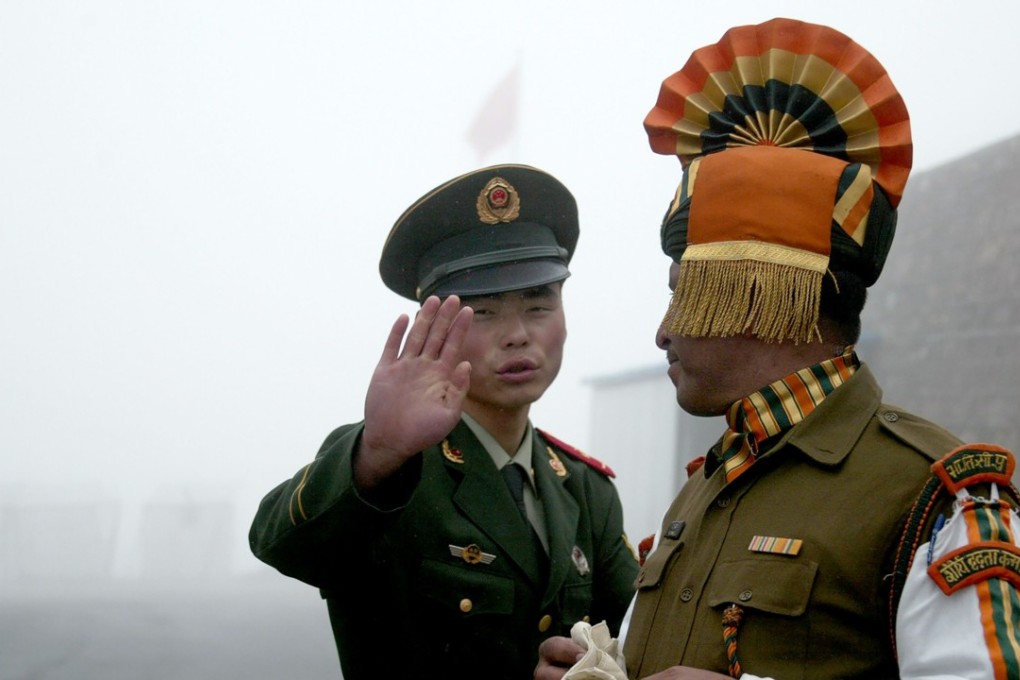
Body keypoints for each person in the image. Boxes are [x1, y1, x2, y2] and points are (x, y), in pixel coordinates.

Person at [536, 17, 1020, 680]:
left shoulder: (934, 494)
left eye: (684, 293)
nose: (663, 331)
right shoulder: (705, 488)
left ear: (758, 293)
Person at [249, 164, 639, 679]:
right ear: (435, 327)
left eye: (540, 305)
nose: (518, 334)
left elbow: (640, 633)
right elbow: (280, 543)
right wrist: (379, 452)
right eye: (483, 313)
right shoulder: (391, 467)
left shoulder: (586, 491)